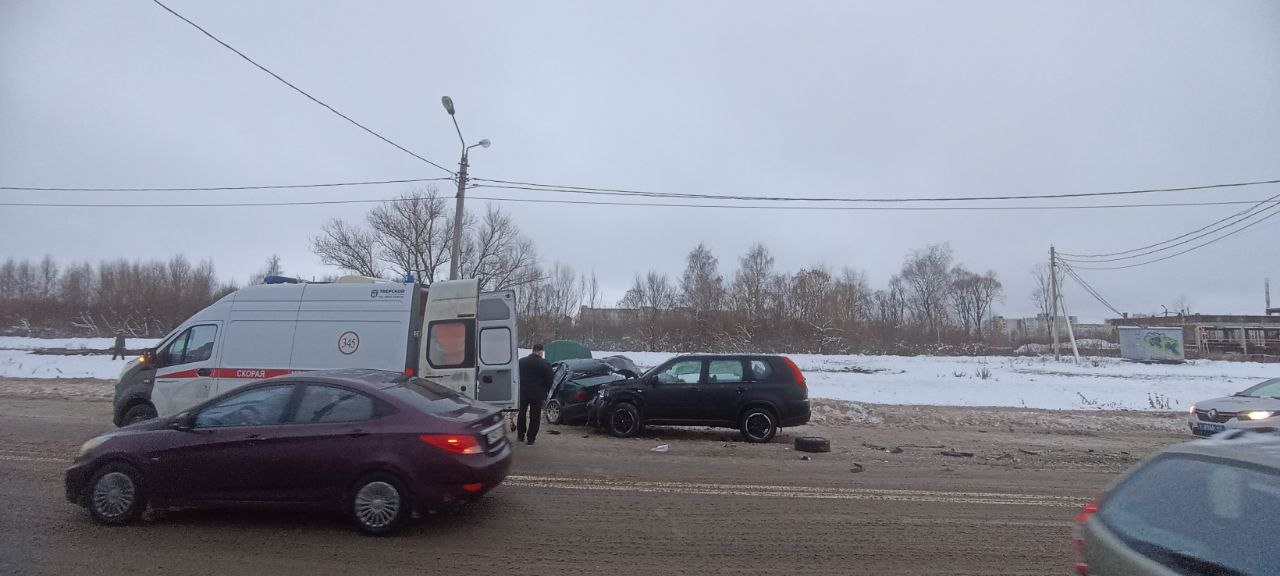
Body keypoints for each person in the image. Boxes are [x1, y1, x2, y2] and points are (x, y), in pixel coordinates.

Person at [516, 343, 554, 445]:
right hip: (538, 394)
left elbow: (515, 377)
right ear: (541, 351)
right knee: (535, 416)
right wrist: (545, 390)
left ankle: (520, 435)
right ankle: (531, 438)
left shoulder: (521, 362)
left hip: (523, 392)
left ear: (533, 350)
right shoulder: (545, 363)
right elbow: (550, 379)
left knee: (522, 413)